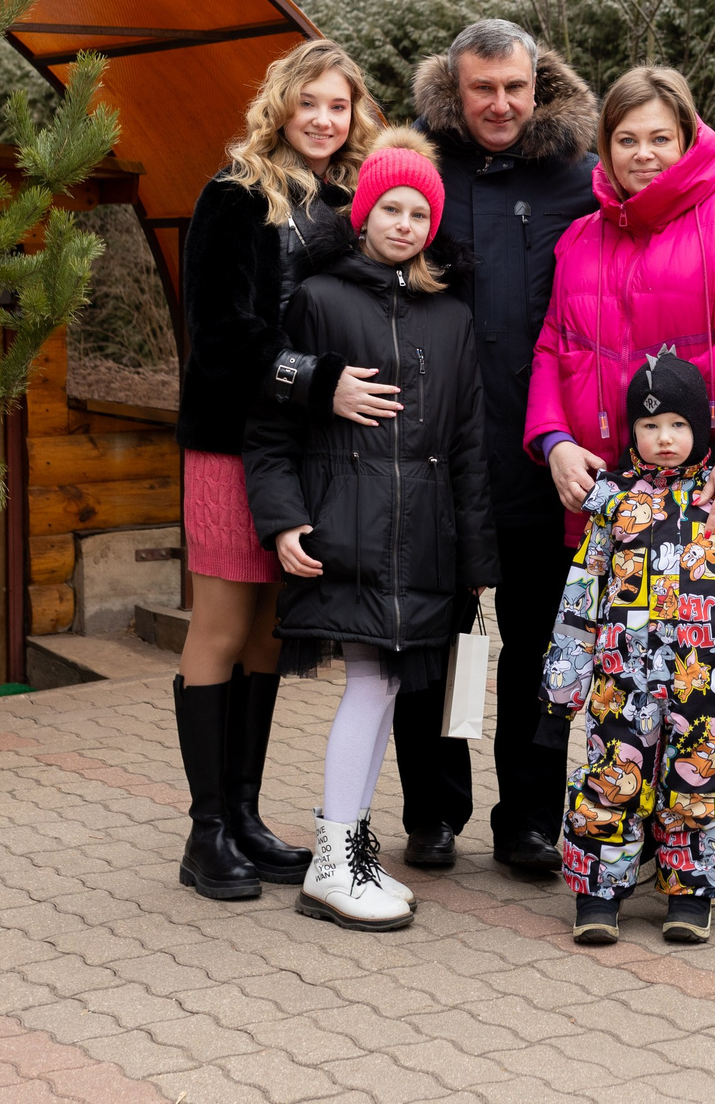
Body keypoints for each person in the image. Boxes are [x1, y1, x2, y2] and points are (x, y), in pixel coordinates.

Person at [526, 65, 715, 904]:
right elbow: (555, 350)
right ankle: (651, 840)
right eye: (627, 140)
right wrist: (551, 440)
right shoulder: (582, 238)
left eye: (662, 137)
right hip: (628, 506)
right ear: (605, 148)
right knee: (632, 679)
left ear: (689, 137)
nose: (645, 155)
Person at [243, 129, 498, 931]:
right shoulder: (319, 300)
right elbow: (272, 427)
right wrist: (283, 520)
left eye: (420, 212)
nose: (404, 222)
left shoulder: (452, 316)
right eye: (390, 206)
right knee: (371, 683)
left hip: (423, 540)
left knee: (384, 687)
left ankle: (346, 850)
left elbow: (466, 444)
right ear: (362, 213)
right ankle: (335, 856)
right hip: (345, 531)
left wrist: (476, 558)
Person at [173, 38, 390, 901]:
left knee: (271, 627)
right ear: (282, 106)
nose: (325, 120)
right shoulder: (232, 197)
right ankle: (205, 831)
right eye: (311, 104)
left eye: (339, 106)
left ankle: (248, 815)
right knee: (223, 623)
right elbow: (221, 335)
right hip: (230, 439)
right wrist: (320, 379)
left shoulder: (347, 202)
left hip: (302, 450)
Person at [397, 20, 600, 877]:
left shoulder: (578, 179)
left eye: (514, 87)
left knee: (537, 648)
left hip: (539, 454)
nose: (500, 104)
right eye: (483, 88)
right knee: (431, 644)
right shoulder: (421, 172)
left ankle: (528, 818)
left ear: (538, 82)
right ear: (455, 86)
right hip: (433, 454)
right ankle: (433, 812)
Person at [540, 351, 715, 946]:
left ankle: (690, 895)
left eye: (679, 426)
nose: (665, 439)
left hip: (706, 680)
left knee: (700, 786)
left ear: (702, 429)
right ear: (632, 432)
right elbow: (580, 598)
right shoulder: (611, 504)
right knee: (612, 779)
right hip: (621, 682)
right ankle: (598, 895)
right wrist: (563, 685)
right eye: (651, 427)